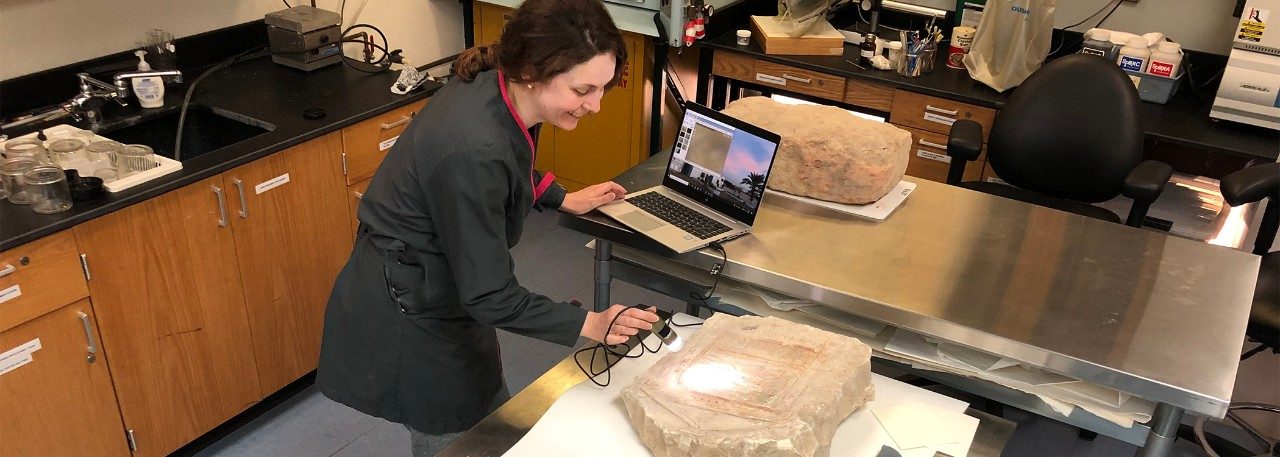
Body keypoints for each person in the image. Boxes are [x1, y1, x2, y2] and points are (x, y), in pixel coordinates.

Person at [316, 0, 660, 454]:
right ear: (534, 71)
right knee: (462, 437)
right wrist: (592, 322)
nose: (595, 105)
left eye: (602, 89)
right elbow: (490, 295)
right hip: (413, 305)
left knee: (489, 420)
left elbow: (506, 164)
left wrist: (561, 195)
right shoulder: (473, 146)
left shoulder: (498, 83)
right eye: (583, 90)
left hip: (438, 282)